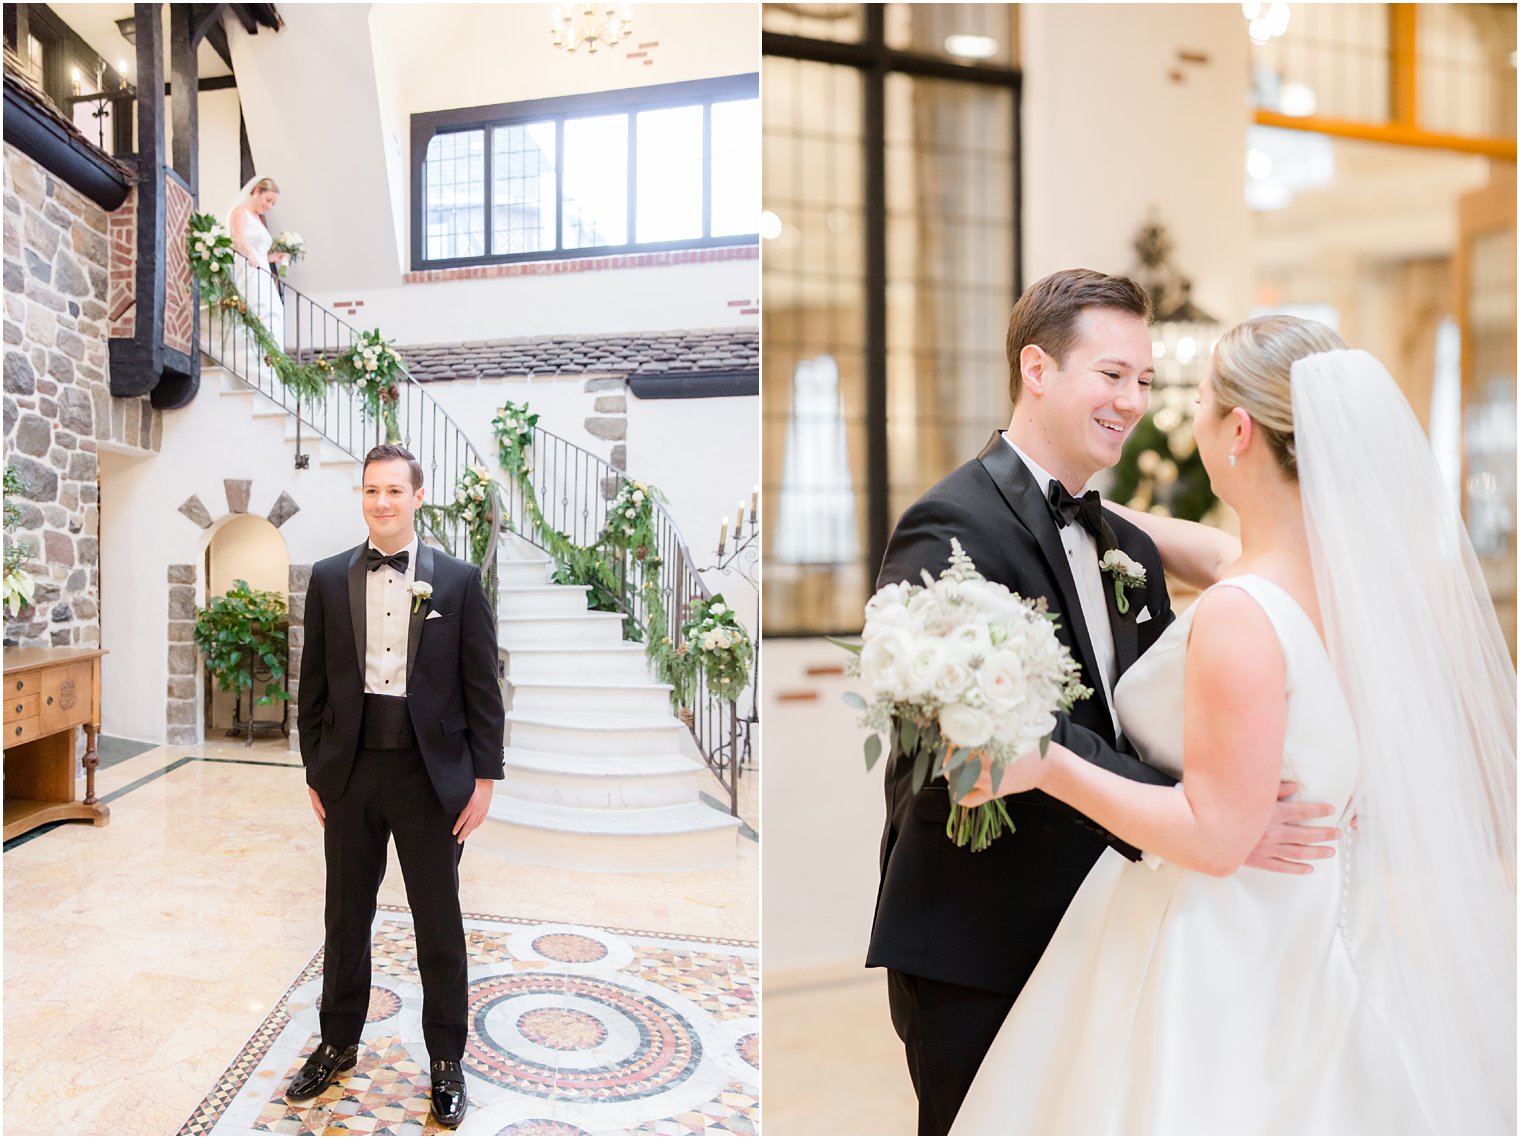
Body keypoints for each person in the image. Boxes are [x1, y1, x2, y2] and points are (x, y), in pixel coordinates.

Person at [951, 317, 1516, 1134]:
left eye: (1204, 403)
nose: (1185, 418)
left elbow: (1215, 835)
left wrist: (1045, 762)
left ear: (1239, 431)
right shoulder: (1346, 583)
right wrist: (1075, 518)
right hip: (1319, 922)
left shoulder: (1242, 616)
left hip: (1225, 942)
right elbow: (1217, 552)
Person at [867, 270, 1340, 1135]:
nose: (1133, 401)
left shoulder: (1124, 541)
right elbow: (987, 740)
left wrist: (1220, 812)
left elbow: (1142, 716)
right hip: (982, 933)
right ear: (1037, 368)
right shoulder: (950, 524)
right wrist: (1207, 819)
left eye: (1147, 381)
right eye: (1112, 375)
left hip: (1105, 922)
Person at [293, 443, 505, 1129]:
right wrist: (316, 769)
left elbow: (483, 688)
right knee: (345, 916)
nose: (380, 502)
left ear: (418, 496)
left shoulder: (459, 581)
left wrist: (484, 778)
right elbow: (314, 686)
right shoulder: (328, 578)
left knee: (436, 921)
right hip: (351, 772)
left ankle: (446, 1058)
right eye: (370, 491)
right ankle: (337, 1040)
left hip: (428, 775)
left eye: (393, 490)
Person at [225, 175, 288, 386]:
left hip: (261, 270)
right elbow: (238, 238)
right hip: (248, 267)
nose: (269, 206)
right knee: (257, 307)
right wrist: (250, 255)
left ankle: (270, 362)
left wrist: (273, 258)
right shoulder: (240, 212)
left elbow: (261, 251)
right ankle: (252, 361)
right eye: (268, 200)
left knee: (274, 312)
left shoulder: (259, 220)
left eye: (273, 203)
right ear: (256, 192)